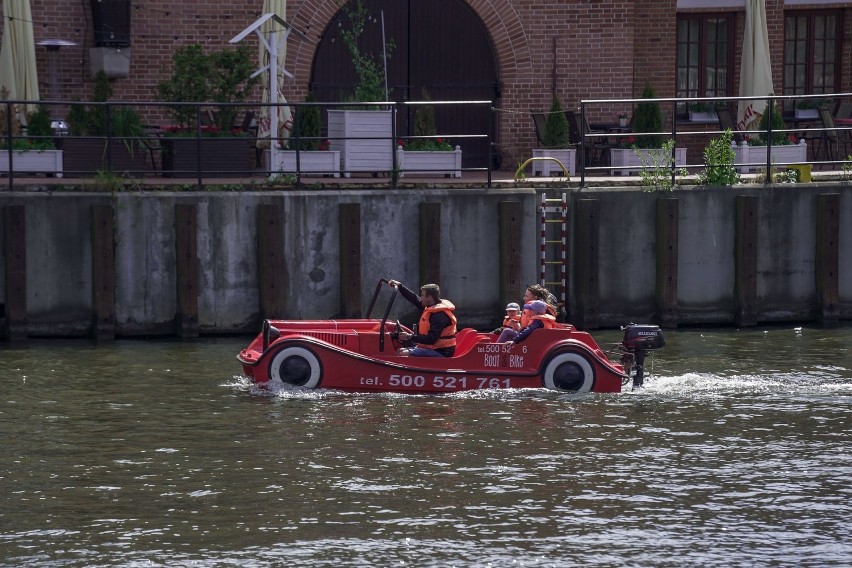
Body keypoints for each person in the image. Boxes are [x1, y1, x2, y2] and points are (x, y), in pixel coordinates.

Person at [387, 279, 457, 357]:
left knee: (402, 353)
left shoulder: (439, 315)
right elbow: (414, 298)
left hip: (442, 351)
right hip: (432, 347)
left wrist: (409, 337)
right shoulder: (431, 305)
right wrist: (400, 286)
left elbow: (431, 339)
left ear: (430, 297)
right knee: (400, 350)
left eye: (423, 295)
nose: (421, 298)